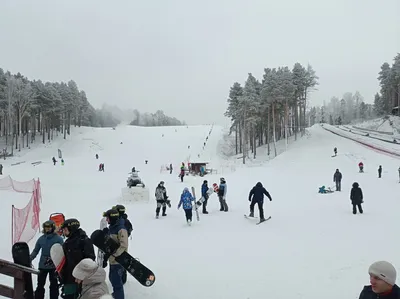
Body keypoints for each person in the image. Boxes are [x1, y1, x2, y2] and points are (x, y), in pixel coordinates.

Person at [60, 218, 96, 299]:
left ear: (72, 229)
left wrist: (82, 275)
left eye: (65, 229)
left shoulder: (84, 240)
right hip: (69, 277)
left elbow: (90, 260)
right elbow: (64, 259)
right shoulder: (67, 243)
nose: (64, 232)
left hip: (81, 279)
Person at [30, 220, 64, 299]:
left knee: (54, 285)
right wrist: (30, 258)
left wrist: (62, 265)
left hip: (54, 266)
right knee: (40, 284)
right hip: (43, 265)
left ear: (53, 228)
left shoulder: (58, 239)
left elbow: (62, 252)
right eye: (46, 227)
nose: (47, 229)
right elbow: (36, 251)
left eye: (49, 227)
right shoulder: (41, 239)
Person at [103, 209, 128, 299]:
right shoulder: (112, 227)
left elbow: (124, 245)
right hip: (112, 260)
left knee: (117, 283)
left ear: (112, 218)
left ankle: (119, 296)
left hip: (118, 260)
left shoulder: (121, 229)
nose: (106, 220)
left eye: (107, 218)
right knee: (112, 279)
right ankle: (117, 294)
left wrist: (114, 255)